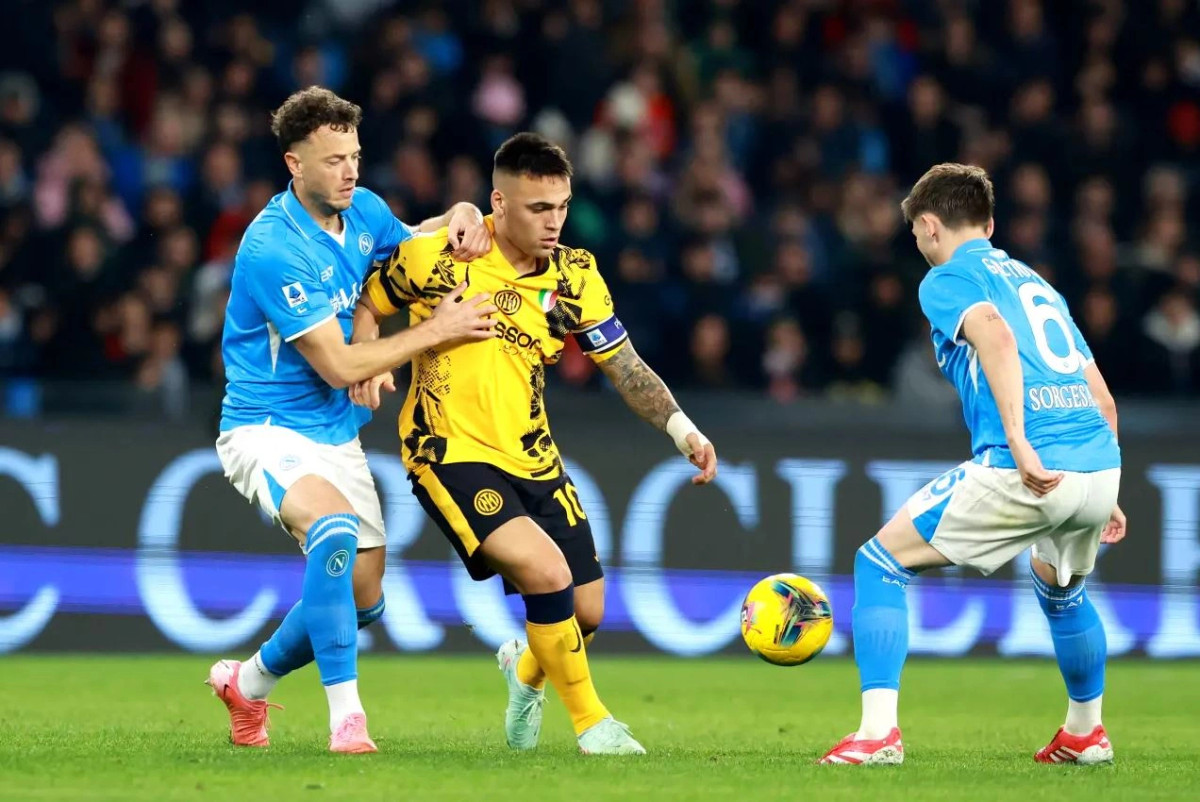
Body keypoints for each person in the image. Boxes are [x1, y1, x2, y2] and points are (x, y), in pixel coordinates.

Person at [355, 132, 719, 755]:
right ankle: (593, 725)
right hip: (449, 450)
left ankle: (524, 675)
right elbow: (369, 299)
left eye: (562, 207)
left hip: (535, 457)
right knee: (548, 575)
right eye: (538, 208)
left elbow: (624, 366)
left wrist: (682, 429)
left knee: (587, 612)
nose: (554, 222)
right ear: (498, 203)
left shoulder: (575, 276)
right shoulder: (440, 256)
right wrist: (367, 357)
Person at [206, 86, 497, 753]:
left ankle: (246, 685)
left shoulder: (362, 209)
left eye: (355, 157)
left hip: (336, 433)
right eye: (334, 160)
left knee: (362, 601)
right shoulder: (273, 247)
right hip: (265, 428)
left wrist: (457, 213)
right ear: (295, 164)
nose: (350, 171)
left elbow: (413, 242)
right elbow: (338, 366)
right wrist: (436, 330)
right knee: (332, 531)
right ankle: (348, 720)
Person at [819, 163, 1125, 766]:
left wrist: (1020, 442)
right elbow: (1103, 398)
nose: (918, 243)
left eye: (916, 232)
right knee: (1061, 589)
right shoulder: (1039, 285)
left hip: (1027, 461)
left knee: (878, 563)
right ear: (988, 225)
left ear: (930, 226)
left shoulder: (947, 279)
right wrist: (1106, 488)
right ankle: (1086, 732)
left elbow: (996, 337)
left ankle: (877, 735)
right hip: (1097, 461)